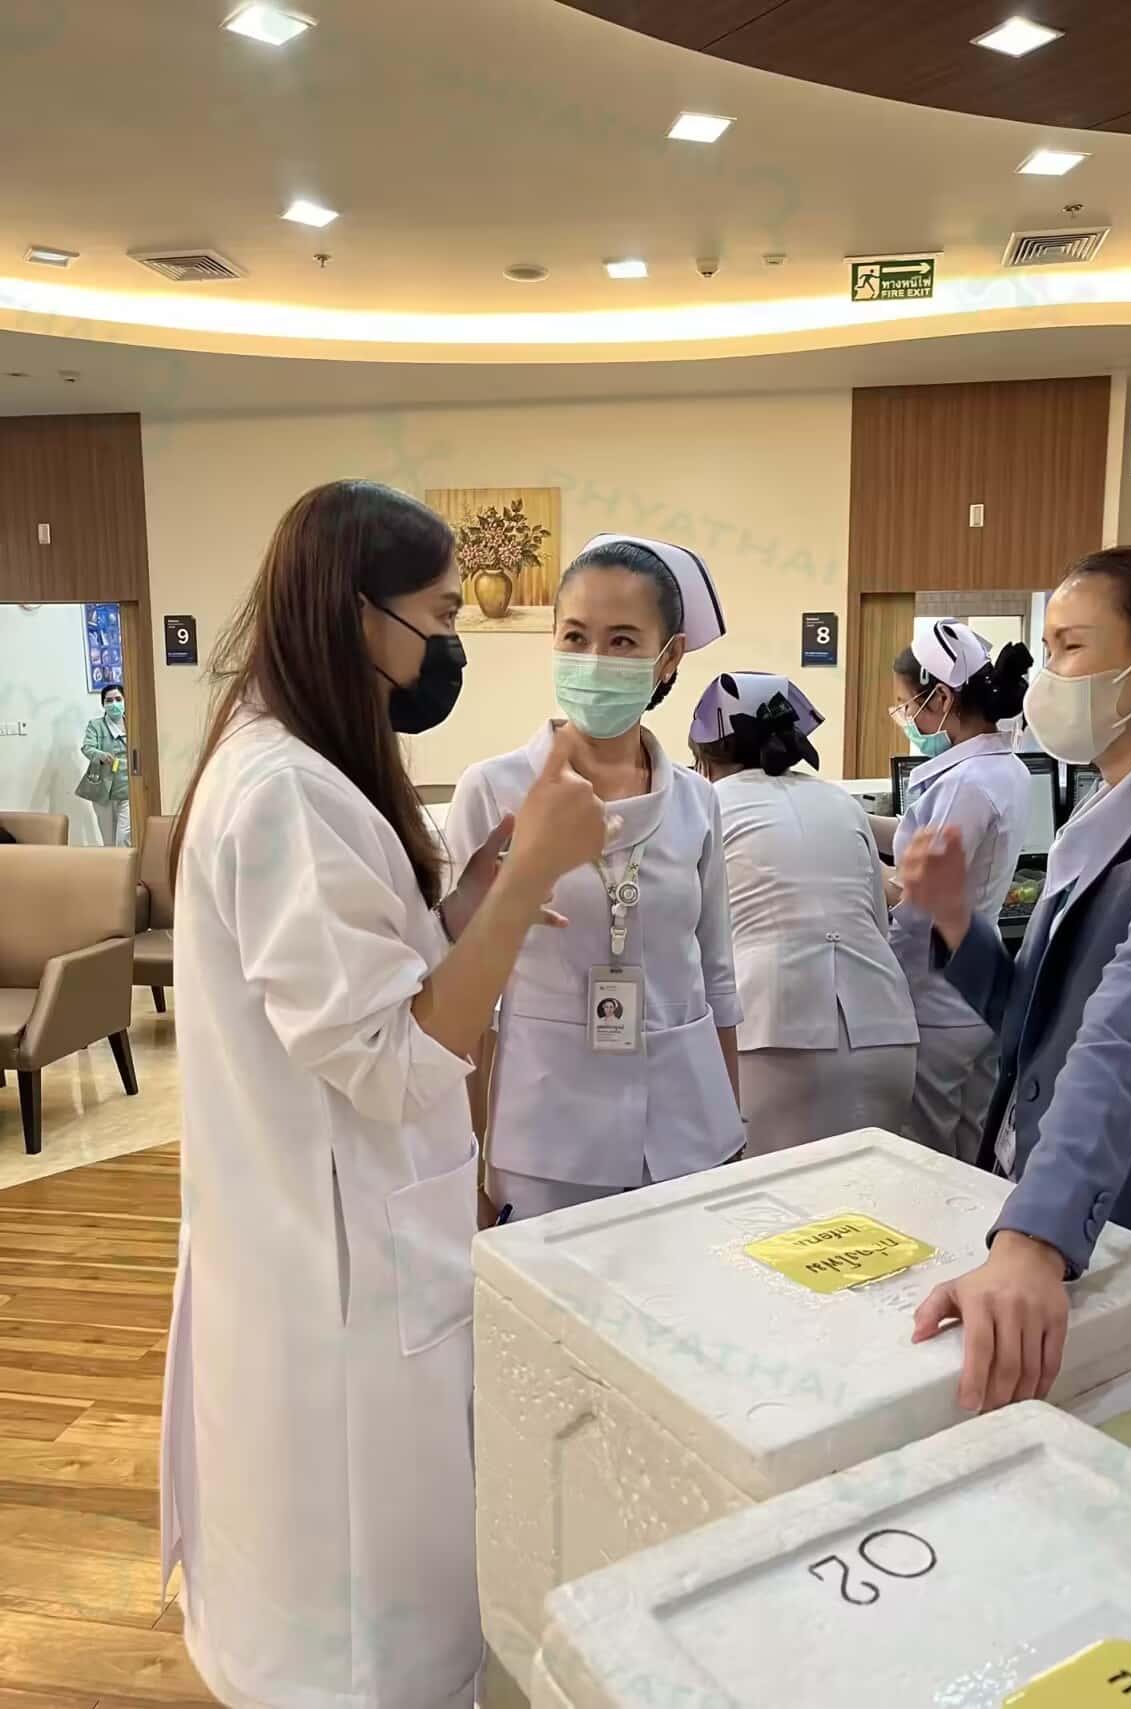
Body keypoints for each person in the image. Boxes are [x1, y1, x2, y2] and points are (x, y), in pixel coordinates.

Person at [160, 481, 608, 1709]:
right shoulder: (286, 790)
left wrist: (482, 884)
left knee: (368, 1548)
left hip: (345, 1236)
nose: (449, 645)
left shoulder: (303, 765)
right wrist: (529, 885)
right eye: (441, 614)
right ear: (357, 612)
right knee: (363, 1591)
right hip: (338, 1265)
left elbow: (388, 967)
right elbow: (394, 1055)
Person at [903, 532, 1131, 1414]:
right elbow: (1032, 1026)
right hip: (1046, 1188)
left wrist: (1037, 1235)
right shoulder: (1106, 804)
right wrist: (955, 917)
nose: (1045, 677)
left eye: (1070, 646)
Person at [447, 533, 744, 1221]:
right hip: (548, 1138)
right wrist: (467, 1166)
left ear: (668, 657)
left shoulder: (697, 802)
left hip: (687, 1135)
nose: (594, 660)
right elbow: (467, 997)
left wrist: (732, 1128)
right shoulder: (493, 791)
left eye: (622, 641)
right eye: (576, 637)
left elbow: (718, 978)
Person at [689, 671, 917, 1151]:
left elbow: (690, 942)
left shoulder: (706, 804)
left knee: (771, 1194)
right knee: (871, 1191)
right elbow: (879, 920)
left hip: (773, 1030)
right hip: (884, 1029)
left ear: (706, 758)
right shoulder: (839, 800)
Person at [875, 623, 1033, 1160]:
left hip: (938, 997)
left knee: (929, 1151)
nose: (907, 719)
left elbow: (918, 892)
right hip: (972, 995)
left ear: (941, 698)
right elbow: (916, 835)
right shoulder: (1002, 767)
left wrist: (852, 868)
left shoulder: (967, 783)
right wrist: (847, 820)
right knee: (974, 1149)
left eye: (907, 706)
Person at [77, 681, 132, 846]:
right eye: (109, 700)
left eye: (118, 699)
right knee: (108, 838)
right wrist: (100, 755)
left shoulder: (133, 723)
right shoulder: (96, 725)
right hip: (103, 789)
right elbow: (87, 747)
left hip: (128, 788)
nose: (114, 704)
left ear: (125, 701)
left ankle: (124, 862)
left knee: (124, 835)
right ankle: (111, 862)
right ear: (103, 704)